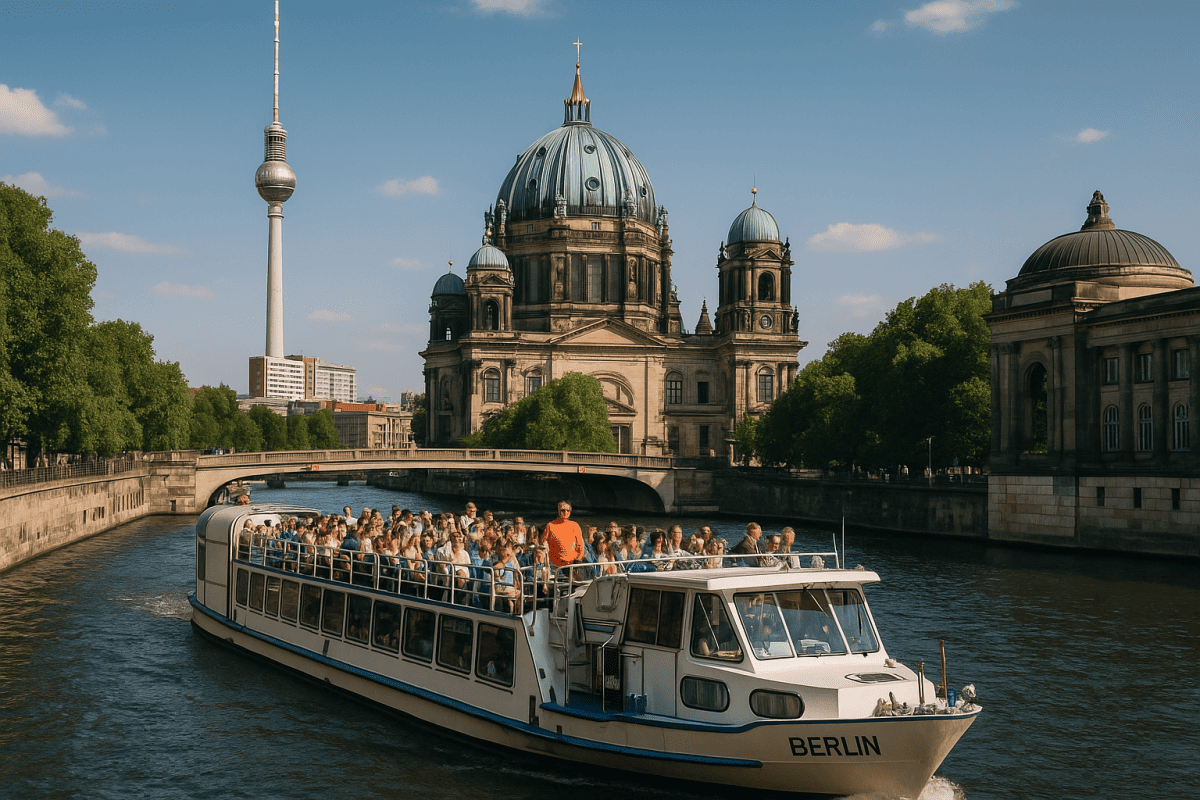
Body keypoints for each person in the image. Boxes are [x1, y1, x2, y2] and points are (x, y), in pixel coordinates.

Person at [544, 500, 585, 570]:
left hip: (573, 564)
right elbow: (544, 542)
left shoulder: (575, 525)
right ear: (558, 511)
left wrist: (578, 560)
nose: (565, 513)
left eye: (568, 510)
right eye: (563, 510)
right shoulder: (550, 525)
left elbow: (580, 545)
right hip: (555, 566)